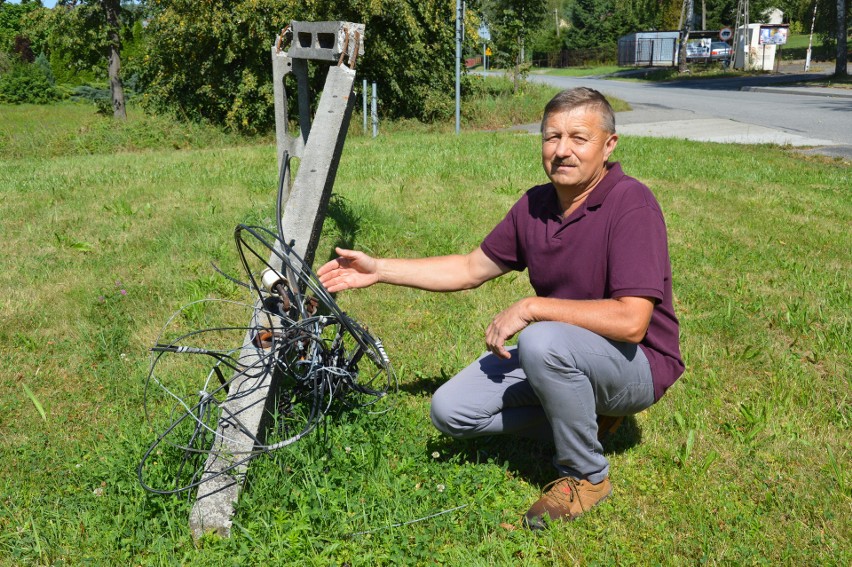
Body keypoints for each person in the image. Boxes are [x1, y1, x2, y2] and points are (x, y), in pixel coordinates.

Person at [317, 87, 683, 529]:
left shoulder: (631, 204)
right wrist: (379, 269)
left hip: (635, 365)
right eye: (551, 137)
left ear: (609, 145)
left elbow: (631, 322)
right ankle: (588, 418)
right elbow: (470, 267)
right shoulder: (536, 205)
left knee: (541, 336)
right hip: (560, 353)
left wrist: (531, 307)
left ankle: (586, 474)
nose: (562, 151)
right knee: (451, 411)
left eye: (578, 138)